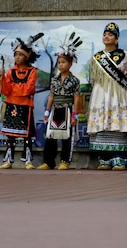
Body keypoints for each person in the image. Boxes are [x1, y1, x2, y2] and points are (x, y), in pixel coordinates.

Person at [87, 22, 127, 170]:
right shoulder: (96, 58)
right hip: (101, 92)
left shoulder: (126, 56)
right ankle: (104, 158)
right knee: (103, 122)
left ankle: (119, 158)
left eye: (110, 35)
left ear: (116, 39)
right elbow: (92, 78)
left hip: (118, 93)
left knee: (116, 121)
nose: (106, 37)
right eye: (105, 34)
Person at [0, 32, 44, 169]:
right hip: (11, 105)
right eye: (16, 55)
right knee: (10, 135)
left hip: (25, 106)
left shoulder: (32, 71)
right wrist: (2, 79)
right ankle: (8, 161)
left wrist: (13, 88)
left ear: (27, 57)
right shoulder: (11, 71)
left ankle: (28, 161)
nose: (17, 57)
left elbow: (28, 89)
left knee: (26, 135)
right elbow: (6, 90)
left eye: (20, 55)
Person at [37, 33, 82, 170]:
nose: (60, 65)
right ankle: (48, 161)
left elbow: (77, 98)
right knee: (50, 136)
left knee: (67, 136)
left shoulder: (74, 80)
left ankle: (65, 161)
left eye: (63, 62)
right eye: (59, 62)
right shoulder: (54, 80)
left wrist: (75, 114)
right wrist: (47, 111)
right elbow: (51, 96)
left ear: (70, 63)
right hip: (55, 109)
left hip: (68, 109)